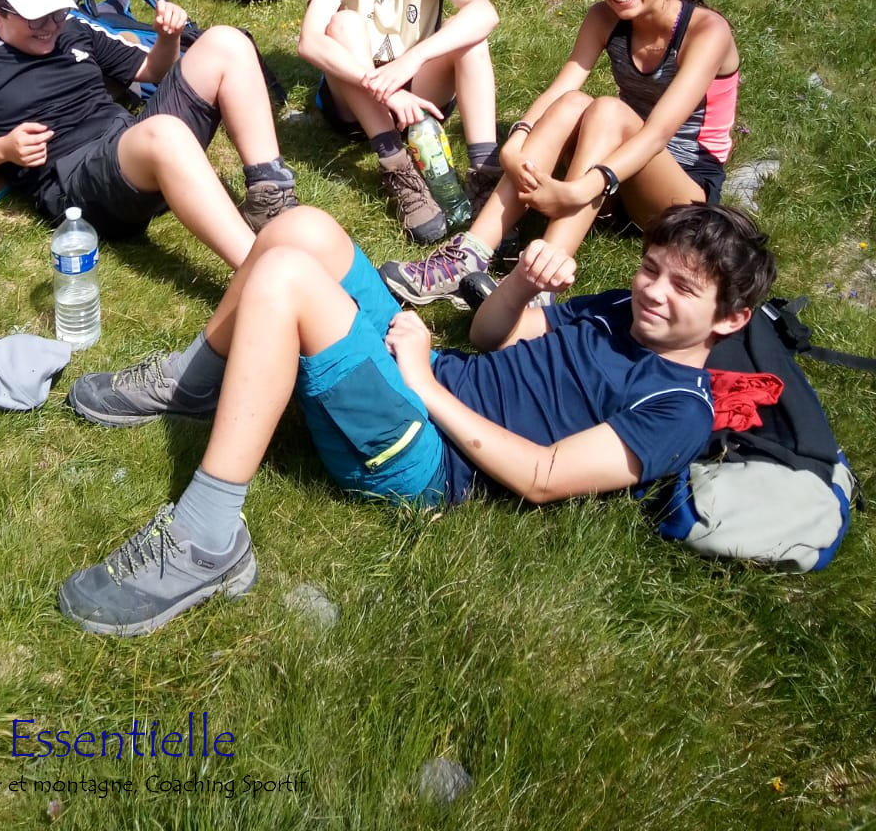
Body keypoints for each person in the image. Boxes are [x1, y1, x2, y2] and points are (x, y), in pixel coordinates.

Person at [56, 200, 774, 636]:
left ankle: (206, 539)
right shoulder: (620, 309)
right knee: (303, 229)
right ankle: (197, 382)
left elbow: (544, 477)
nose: (653, 291)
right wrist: (521, 283)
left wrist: (425, 384)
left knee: (284, 278)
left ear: (731, 319)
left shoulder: (679, 410)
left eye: (683, 288)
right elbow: (494, 336)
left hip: (426, 459)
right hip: (429, 382)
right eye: (651, 269)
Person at [380, 0, 741, 308]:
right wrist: (516, 143)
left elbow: (656, 134)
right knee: (573, 103)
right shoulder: (604, 17)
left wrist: (576, 191)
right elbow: (563, 87)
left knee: (608, 110)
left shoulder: (707, 32)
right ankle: (468, 254)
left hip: (683, 195)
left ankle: (538, 285)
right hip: (618, 177)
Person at [0, 0, 298, 267]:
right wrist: (4, 149)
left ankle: (270, 197)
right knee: (163, 133)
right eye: (36, 16)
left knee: (226, 42)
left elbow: (150, 71)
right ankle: (259, 268)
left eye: (57, 11)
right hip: (76, 185)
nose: (51, 25)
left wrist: (167, 38)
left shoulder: (74, 29)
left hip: (131, 147)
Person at [298, 0, 500, 244]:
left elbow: (485, 12)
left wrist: (411, 61)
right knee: (342, 24)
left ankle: (485, 176)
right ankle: (397, 166)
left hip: (420, 99)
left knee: (472, 37)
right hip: (356, 105)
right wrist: (383, 87)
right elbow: (309, 41)